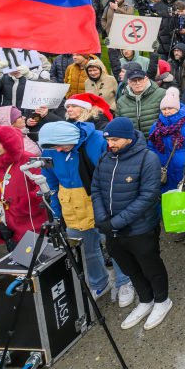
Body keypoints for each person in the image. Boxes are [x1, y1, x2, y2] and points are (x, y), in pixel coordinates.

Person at [91, 117, 173, 331]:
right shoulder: (104, 159)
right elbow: (96, 190)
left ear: (128, 138)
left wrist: (117, 221)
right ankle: (145, 300)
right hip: (112, 230)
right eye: (109, 140)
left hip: (140, 229)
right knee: (130, 269)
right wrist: (103, 220)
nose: (111, 145)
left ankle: (162, 300)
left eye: (116, 140)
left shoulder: (148, 158)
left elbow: (147, 196)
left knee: (150, 266)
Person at [38, 121, 113, 300]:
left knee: (115, 246)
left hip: (100, 201)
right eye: (52, 147)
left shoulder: (99, 141)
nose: (57, 150)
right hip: (71, 206)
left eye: (60, 145)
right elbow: (51, 183)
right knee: (86, 249)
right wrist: (56, 213)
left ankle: (126, 282)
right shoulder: (50, 149)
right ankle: (100, 283)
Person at [0, 125, 45, 246]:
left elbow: (43, 186)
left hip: (27, 219)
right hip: (2, 221)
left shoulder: (28, 158)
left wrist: (27, 205)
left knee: (35, 257)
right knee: (14, 258)